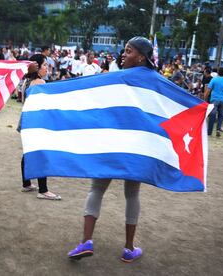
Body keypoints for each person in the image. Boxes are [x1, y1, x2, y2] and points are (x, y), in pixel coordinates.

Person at [67, 36, 157, 263]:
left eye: (129, 51)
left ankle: (86, 241)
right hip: (135, 146)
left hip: (113, 143)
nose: (124, 54)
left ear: (142, 57)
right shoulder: (156, 81)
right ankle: (128, 248)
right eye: (124, 51)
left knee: (97, 189)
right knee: (131, 194)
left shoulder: (115, 78)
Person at [19, 54, 61, 200]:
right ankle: (43, 190)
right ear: (36, 67)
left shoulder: (26, 81)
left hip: (26, 120)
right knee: (41, 154)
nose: (47, 68)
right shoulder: (40, 83)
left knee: (28, 152)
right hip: (37, 122)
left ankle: (26, 183)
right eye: (44, 65)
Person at [205, 67, 223, 137]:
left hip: (214, 99)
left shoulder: (214, 79)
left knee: (212, 116)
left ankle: (209, 132)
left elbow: (208, 90)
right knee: (220, 115)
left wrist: (204, 99)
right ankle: (218, 130)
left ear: (218, 72)